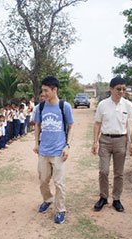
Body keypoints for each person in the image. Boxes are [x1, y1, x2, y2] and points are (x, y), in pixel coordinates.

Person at [33, 76, 74, 224]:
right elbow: (37, 125)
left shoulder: (65, 106)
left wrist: (67, 146)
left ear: (54, 89)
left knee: (59, 183)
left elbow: (70, 126)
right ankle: (48, 199)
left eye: (46, 90)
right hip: (43, 151)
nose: (43, 93)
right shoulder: (40, 107)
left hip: (59, 152)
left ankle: (60, 209)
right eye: (42, 90)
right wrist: (36, 143)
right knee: (43, 180)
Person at [92, 77, 132, 213]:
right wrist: (95, 142)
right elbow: (98, 123)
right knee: (103, 171)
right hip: (105, 140)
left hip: (121, 141)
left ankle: (116, 199)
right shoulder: (103, 105)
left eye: (124, 89)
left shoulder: (128, 105)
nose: (121, 91)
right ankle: (103, 197)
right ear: (111, 89)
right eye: (118, 89)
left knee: (119, 173)